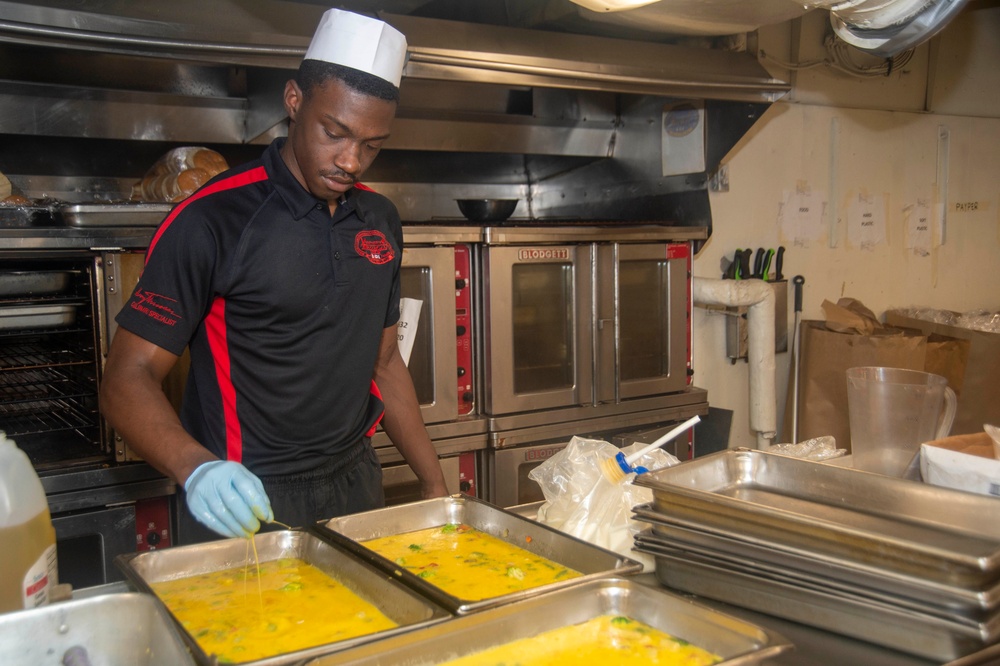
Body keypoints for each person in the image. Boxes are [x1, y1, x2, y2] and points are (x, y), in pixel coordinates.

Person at [100, 8, 449, 542]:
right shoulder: (212, 220)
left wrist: (433, 487)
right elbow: (128, 377)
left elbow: (383, 361)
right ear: (294, 101)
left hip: (358, 483)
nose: (351, 161)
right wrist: (196, 467)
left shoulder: (379, 220)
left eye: (372, 145)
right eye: (335, 133)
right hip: (247, 496)